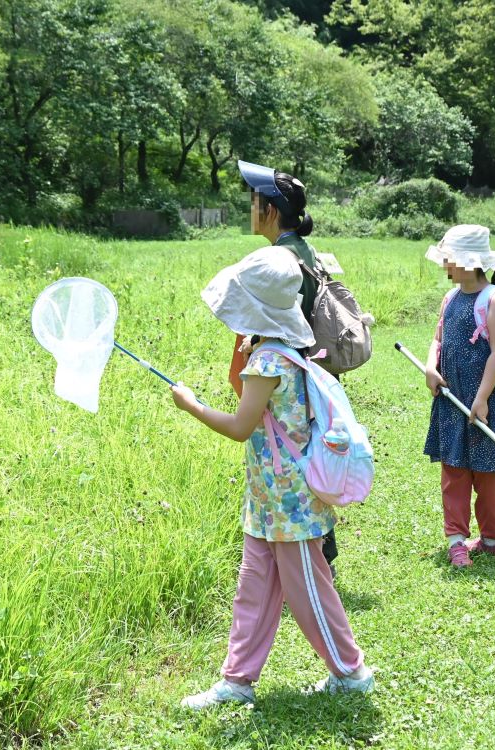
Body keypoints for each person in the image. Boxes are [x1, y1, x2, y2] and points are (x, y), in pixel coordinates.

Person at [172, 246, 374, 708]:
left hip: (290, 506)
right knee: (254, 589)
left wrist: (191, 405)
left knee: (310, 593)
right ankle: (237, 680)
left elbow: (242, 426)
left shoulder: (267, 362)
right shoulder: (283, 351)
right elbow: (259, 412)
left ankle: (351, 671)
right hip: (269, 500)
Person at [230, 160, 340, 576]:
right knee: (311, 462)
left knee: (293, 465)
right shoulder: (304, 251)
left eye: (254, 202)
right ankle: (313, 559)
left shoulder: (277, 261)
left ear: (271, 211)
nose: (250, 208)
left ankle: (311, 565)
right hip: (307, 376)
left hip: (282, 382)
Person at [423, 225, 495, 568]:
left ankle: (492, 540)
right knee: (454, 470)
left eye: (449, 260)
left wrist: (482, 397)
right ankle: (456, 540)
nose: (445, 266)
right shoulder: (450, 299)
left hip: (484, 400)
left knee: (487, 471)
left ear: (469, 262)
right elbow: (437, 339)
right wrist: (431, 367)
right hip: (450, 398)